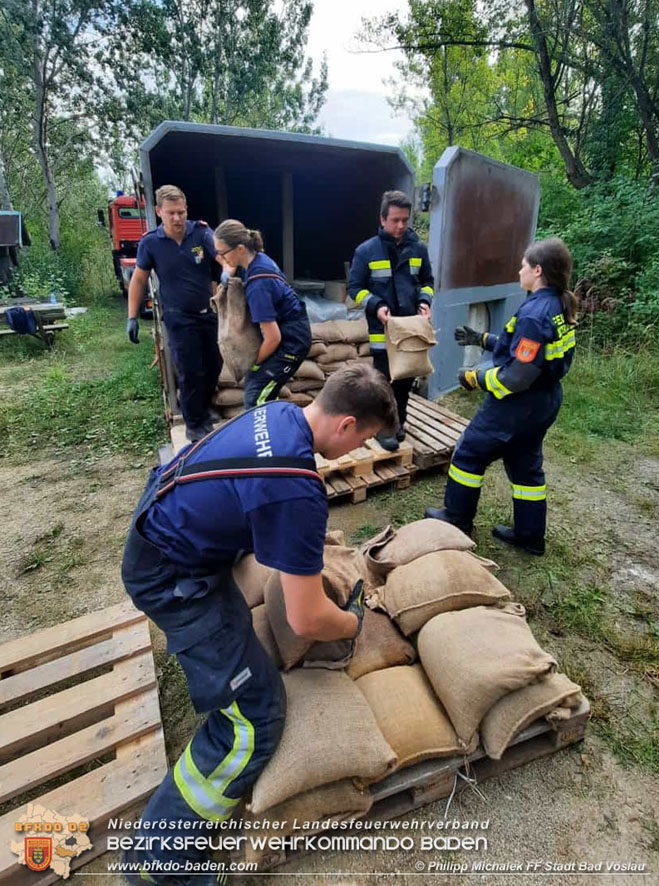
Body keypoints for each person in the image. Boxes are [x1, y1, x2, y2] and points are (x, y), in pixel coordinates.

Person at [120, 362, 398, 885]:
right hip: (172, 576)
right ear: (345, 426)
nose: (358, 451)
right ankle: (156, 866)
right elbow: (306, 617)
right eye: (363, 439)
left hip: (163, 531)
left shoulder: (279, 412)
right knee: (253, 719)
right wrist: (352, 623)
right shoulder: (295, 487)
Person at [425, 238, 577, 556]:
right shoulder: (555, 304)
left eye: (524, 265)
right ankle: (530, 535)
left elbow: (518, 376)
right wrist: (482, 339)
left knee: (469, 453)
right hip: (544, 402)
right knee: (525, 465)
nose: (519, 269)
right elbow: (526, 351)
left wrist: (475, 377)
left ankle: (456, 520)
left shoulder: (536, 313)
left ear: (537, 270)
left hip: (519, 406)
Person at [127, 185, 224, 442]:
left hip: (206, 314)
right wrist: (132, 316)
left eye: (181, 212)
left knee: (214, 364)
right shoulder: (150, 243)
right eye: (171, 213)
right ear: (159, 212)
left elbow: (220, 254)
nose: (177, 218)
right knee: (190, 370)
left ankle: (202, 407)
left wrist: (230, 270)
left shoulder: (201, 232)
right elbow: (138, 280)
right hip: (178, 317)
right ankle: (195, 424)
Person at [348, 189, 434, 451]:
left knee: (405, 382)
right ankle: (383, 428)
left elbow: (427, 282)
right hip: (382, 332)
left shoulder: (418, 248)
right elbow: (355, 288)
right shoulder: (366, 251)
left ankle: (399, 423)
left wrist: (424, 301)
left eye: (405, 220)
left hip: (409, 330)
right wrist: (375, 305)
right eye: (395, 220)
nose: (400, 226)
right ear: (382, 219)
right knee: (383, 383)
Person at [213, 219, 312, 409]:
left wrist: (254, 363)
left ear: (240, 248)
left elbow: (273, 337)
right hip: (289, 329)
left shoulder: (258, 286)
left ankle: (264, 435)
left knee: (255, 399)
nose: (222, 258)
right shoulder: (258, 259)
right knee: (256, 387)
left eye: (223, 253)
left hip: (291, 342)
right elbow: (231, 264)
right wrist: (227, 272)